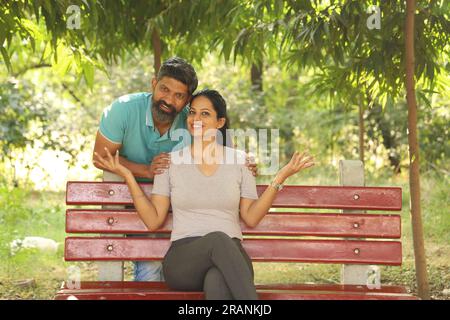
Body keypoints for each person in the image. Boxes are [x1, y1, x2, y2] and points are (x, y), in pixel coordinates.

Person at [93, 89, 314, 299]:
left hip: (230, 257)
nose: (195, 118)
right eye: (193, 112)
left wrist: (280, 177)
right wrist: (128, 176)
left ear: (220, 123)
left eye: (205, 114)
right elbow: (153, 221)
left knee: (217, 279)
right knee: (218, 239)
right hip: (184, 260)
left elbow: (251, 217)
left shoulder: (240, 161)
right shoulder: (169, 162)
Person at [92, 58, 257, 282]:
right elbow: (100, 156)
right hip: (143, 201)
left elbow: (225, 149)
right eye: (164, 89)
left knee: (213, 274)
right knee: (150, 268)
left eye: (178, 96)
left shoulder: (193, 120)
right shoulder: (123, 109)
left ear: (187, 101)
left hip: (184, 207)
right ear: (153, 84)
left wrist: (246, 160)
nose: (168, 100)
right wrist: (144, 171)